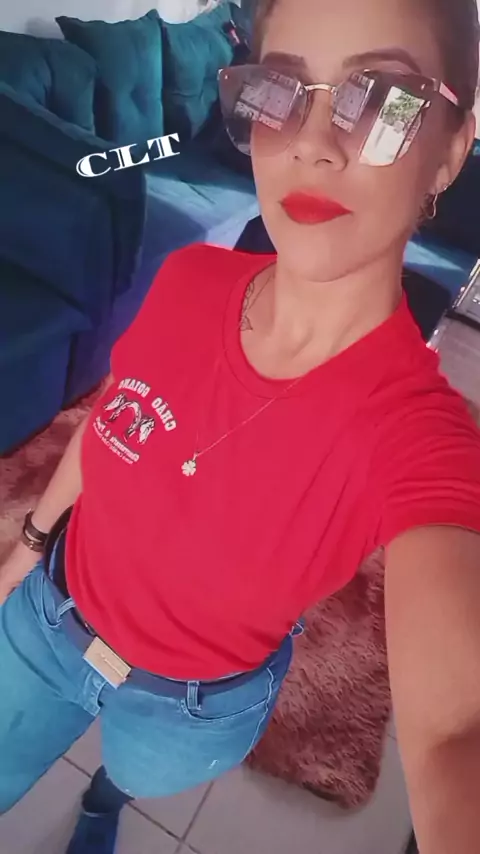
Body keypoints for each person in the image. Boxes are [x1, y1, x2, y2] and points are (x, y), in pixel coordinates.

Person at [1, 0, 480, 852]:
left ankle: (108, 799)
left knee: (133, 775)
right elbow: (114, 419)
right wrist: (29, 543)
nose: (313, 144)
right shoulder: (190, 278)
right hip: (45, 623)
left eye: (380, 98)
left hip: (188, 710)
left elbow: (455, 731)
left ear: (449, 148)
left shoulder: (418, 434)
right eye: (280, 92)